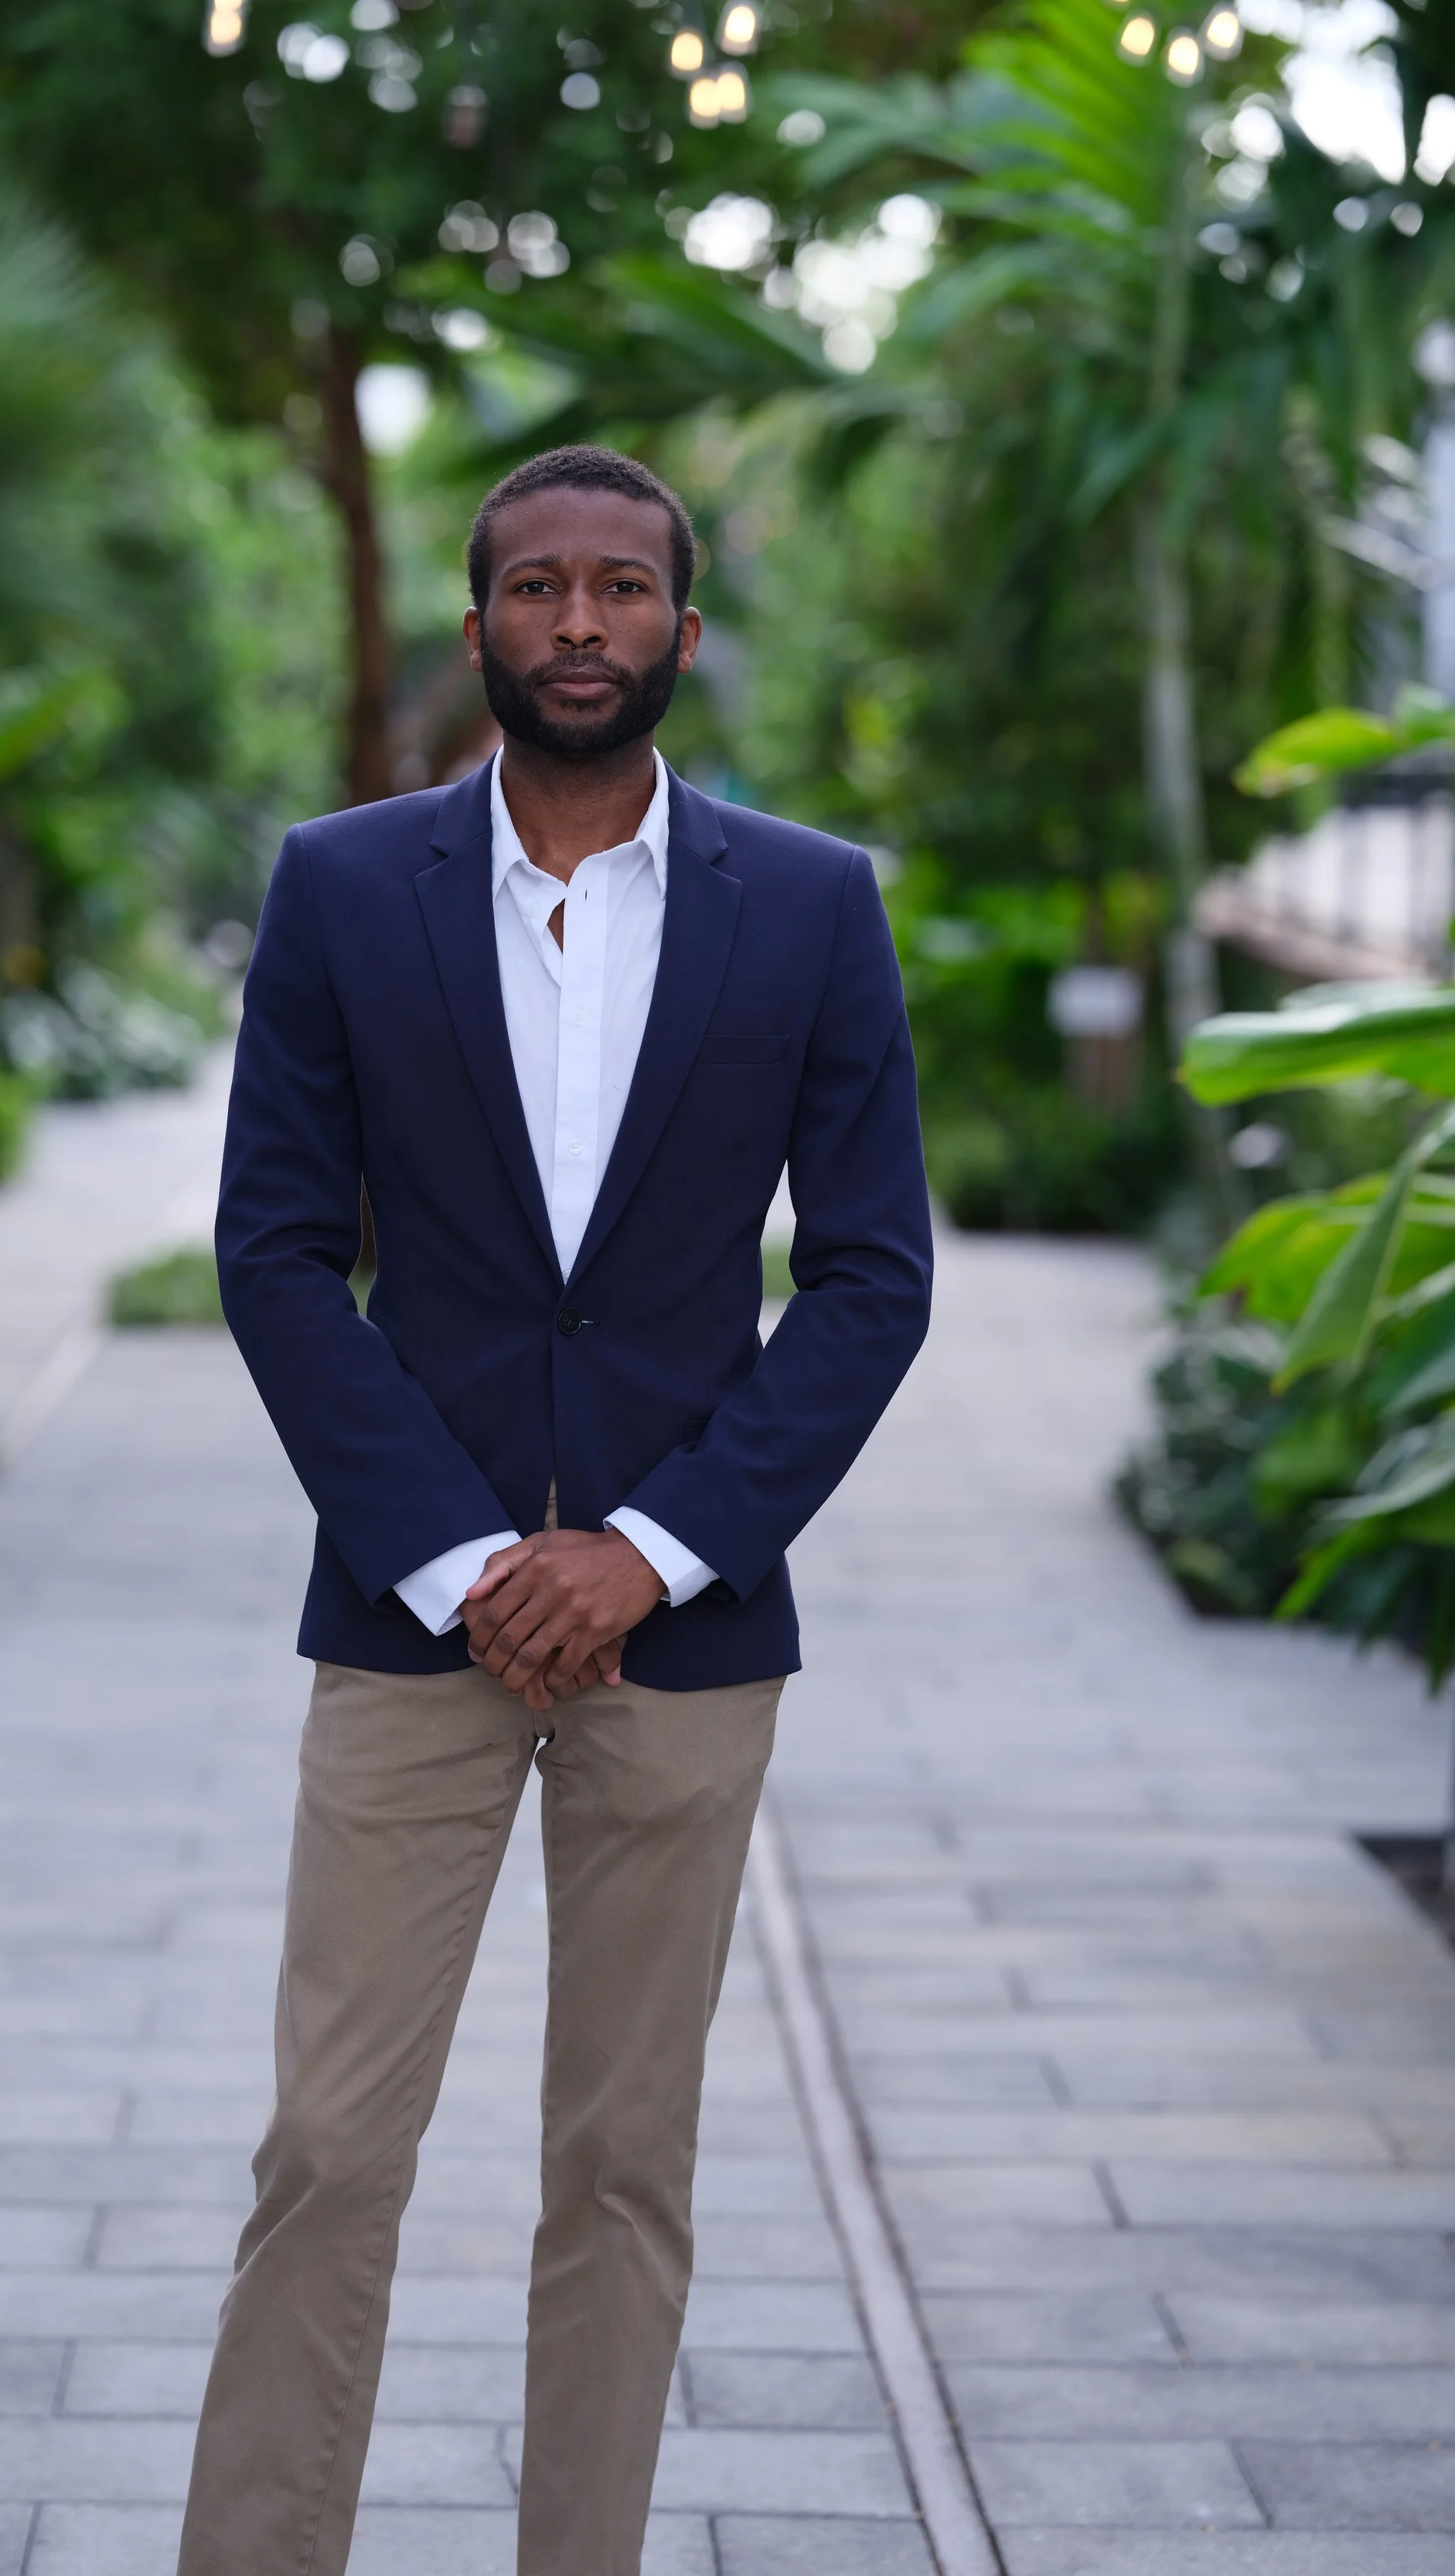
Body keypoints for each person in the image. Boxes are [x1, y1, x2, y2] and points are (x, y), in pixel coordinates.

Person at [178, 444, 932, 2576]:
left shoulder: (808, 901)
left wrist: (654, 1544)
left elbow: (870, 1267)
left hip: (680, 1629)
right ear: (478, 622)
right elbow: (269, 1248)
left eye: (619, 590)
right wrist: (455, 1552)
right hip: (409, 1608)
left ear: (684, 632)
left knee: (621, 2159)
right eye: (535, 588)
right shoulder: (341, 885)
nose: (577, 623)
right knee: (328, 2143)